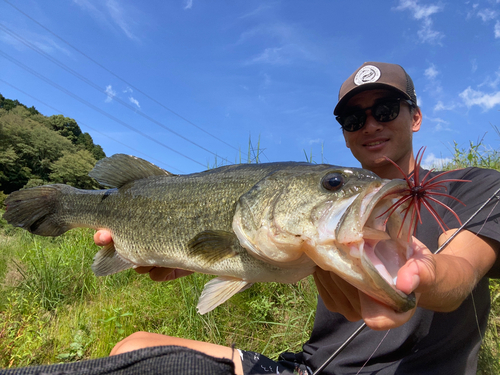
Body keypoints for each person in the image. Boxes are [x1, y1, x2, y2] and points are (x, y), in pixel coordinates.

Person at [94, 62, 500, 374]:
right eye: (353, 119)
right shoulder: (320, 209)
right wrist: (201, 255)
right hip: (306, 369)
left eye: (386, 109)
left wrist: (423, 277)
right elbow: (270, 249)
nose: (370, 125)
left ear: (415, 117)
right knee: (132, 350)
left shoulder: (476, 186)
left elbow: (460, 272)